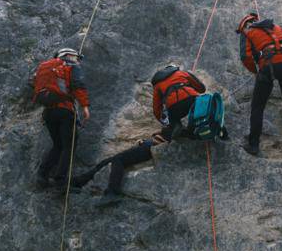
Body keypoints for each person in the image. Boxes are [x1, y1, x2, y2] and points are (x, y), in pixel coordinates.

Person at [74, 64, 205, 207]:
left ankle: (111, 193)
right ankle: (81, 180)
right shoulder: (187, 87)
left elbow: (157, 111)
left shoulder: (168, 103)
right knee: (113, 159)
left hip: (156, 144)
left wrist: (164, 123)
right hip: (163, 137)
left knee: (118, 159)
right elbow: (201, 88)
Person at [237, 12, 282, 156]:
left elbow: (245, 57)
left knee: (258, 106)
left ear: (245, 24)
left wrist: (256, 70)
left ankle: (254, 145)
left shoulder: (248, 32)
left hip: (268, 67)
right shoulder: (276, 27)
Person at [33, 48, 90, 189]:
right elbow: (78, 85)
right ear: (69, 56)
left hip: (48, 111)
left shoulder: (43, 67)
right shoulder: (71, 65)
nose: (78, 61)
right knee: (68, 146)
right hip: (65, 110)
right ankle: (60, 180)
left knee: (58, 145)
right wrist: (85, 106)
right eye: (77, 57)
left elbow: (32, 82)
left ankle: (42, 175)